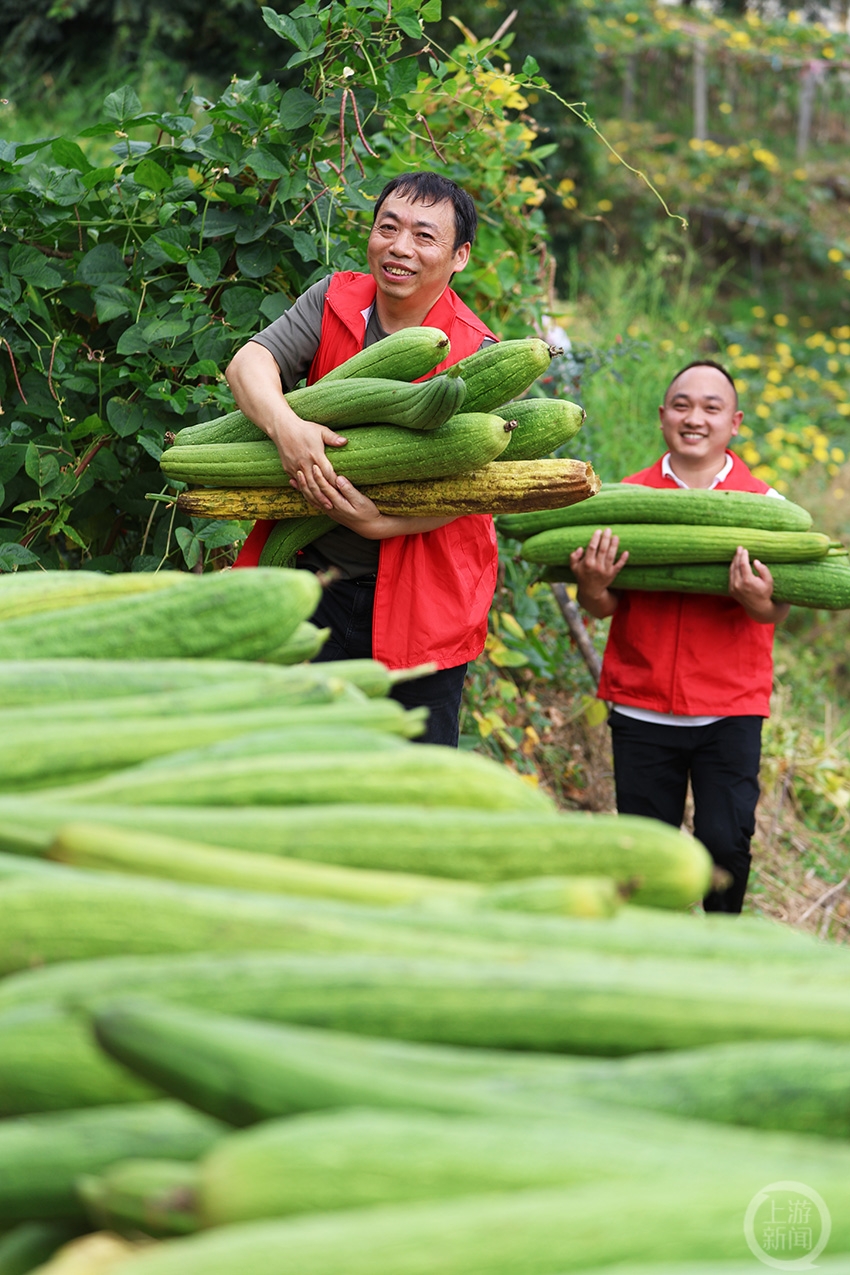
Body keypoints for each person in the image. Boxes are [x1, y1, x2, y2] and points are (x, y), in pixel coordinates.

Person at [225, 171, 499, 746]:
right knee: (296, 763)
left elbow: (479, 486)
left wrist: (380, 524)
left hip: (425, 602)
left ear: (460, 256)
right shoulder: (333, 299)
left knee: (409, 783)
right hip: (313, 578)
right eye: (387, 228)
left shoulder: (482, 354)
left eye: (425, 237)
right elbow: (249, 364)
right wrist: (287, 428)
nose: (399, 247)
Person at [569, 360, 790, 914]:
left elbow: (776, 611)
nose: (695, 418)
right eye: (683, 405)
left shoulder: (769, 508)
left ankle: (717, 954)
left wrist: (758, 601)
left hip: (729, 708)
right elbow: (601, 608)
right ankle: (651, 956)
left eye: (711, 408)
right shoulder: (623, 501)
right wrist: (592, 586)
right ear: (662, 415)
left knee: (726, 845)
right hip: (642, 707)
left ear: (734, 422)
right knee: (646, 857)